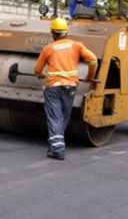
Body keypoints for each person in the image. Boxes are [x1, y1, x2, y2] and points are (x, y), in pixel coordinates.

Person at [33, 18, 98, 160]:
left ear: (53, 33)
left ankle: (57, 149)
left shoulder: (48, 49)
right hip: (70, 87)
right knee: (63, 116)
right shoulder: (76, 45)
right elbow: (93, 59)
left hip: (54, 88)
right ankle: (56, 143)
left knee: (54, 117)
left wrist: (40, 74)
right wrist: (90, 76)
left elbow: (37, 69)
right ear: (66, 33)